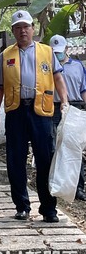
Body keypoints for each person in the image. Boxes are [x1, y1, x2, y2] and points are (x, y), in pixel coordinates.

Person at [0, 10, 68, 223]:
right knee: (16, 160)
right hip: (16, 111)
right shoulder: (5, 55)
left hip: (41, 112)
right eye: (18, 27)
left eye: (26, 26)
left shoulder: (46, 51)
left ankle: (49, 209)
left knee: (45, 159)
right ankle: (22, 206)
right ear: (13, 31)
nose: (22, 30)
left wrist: (64, 101)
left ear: (33, 29)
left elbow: (58, 77)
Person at [50, 34, 86, 201]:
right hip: (53, 108)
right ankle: (55, 184)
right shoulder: (47, 66)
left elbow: (83, 90)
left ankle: (78, 187)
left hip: (74, 108)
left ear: (66, 49)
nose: (57, 54)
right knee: (53, 147)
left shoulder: (78, 66)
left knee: (74, 148)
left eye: (59, 51)